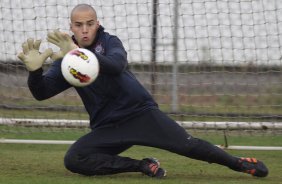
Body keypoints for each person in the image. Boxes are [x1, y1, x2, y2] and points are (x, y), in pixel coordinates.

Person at [18, 4, 268, 178]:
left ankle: (239, 164)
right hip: (108, 127)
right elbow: (42, 93)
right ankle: (142, 165)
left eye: (90, 24)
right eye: (79, 25)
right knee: (74, 159)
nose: (84, 29)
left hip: (141, 115)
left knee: (189, 146)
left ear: (98, 24)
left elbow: (115, 66)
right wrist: (34, 72)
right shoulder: (67, 60)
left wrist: (77, 53)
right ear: (71, 27)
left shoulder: (109, 42)